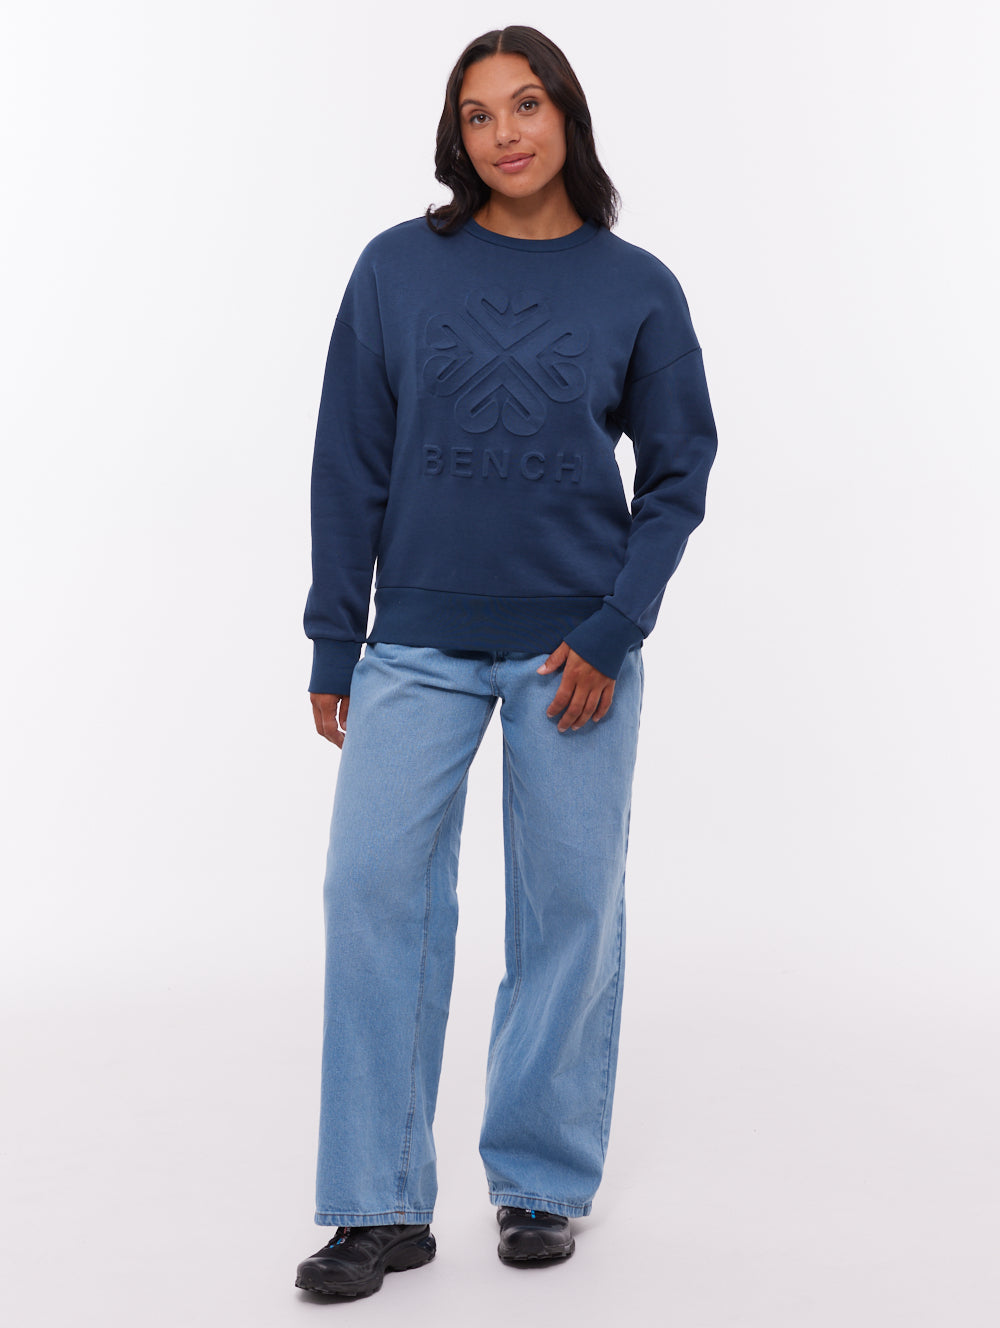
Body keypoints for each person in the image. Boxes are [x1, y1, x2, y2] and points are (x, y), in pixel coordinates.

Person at [294, 25, 718, 1300]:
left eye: (524, 105)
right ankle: (378, 1204)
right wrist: (334, 632)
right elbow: (347, 458)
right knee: (371, 891)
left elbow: (679, 473)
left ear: (566, 114)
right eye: (478, 116)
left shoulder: (637, 287)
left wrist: (614, 627)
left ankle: (538, 1180)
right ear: (456, 137)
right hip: (415, 644)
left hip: (571, 652)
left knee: (568, 908)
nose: (504, 134)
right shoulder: (394, 269)